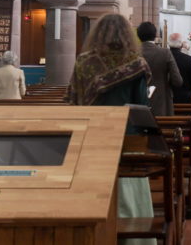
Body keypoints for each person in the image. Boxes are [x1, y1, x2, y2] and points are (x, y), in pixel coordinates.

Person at [65, 14, 153, 245]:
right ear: (127, 34)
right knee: (128, 196)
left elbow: (73, 99)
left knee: (93, 192)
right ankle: (133, 239)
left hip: (91, 137)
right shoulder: (135, 62)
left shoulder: (84, 61)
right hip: (127, 138)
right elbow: (141, 107)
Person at [137, 22, 183, 116]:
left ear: (138, 35)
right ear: (155, 35)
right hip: (161, 103)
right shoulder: (165, 53)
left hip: (138, 104)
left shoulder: (132, 54)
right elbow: (177, 81)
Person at [169, 33, 191, 103]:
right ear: (181, 44)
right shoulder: (188, 59)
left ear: (168, 43)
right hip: (184, 98)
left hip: (166, 99)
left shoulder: (162, 58)